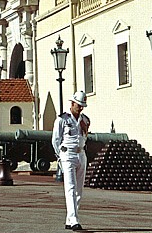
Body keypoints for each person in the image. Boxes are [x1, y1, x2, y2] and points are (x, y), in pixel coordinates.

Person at [52, 91, 90, 231]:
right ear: (72, 103)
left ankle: (70, 219)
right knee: (70, 187)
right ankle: (74, 220)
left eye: (82, 106)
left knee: (79, 189)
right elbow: (56, 140)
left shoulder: (84, 120)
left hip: (81, 154)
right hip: (67, 154)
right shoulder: (62, 120)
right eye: (78, 105)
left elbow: (85, 137)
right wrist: (60, 155)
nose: (80, 108)